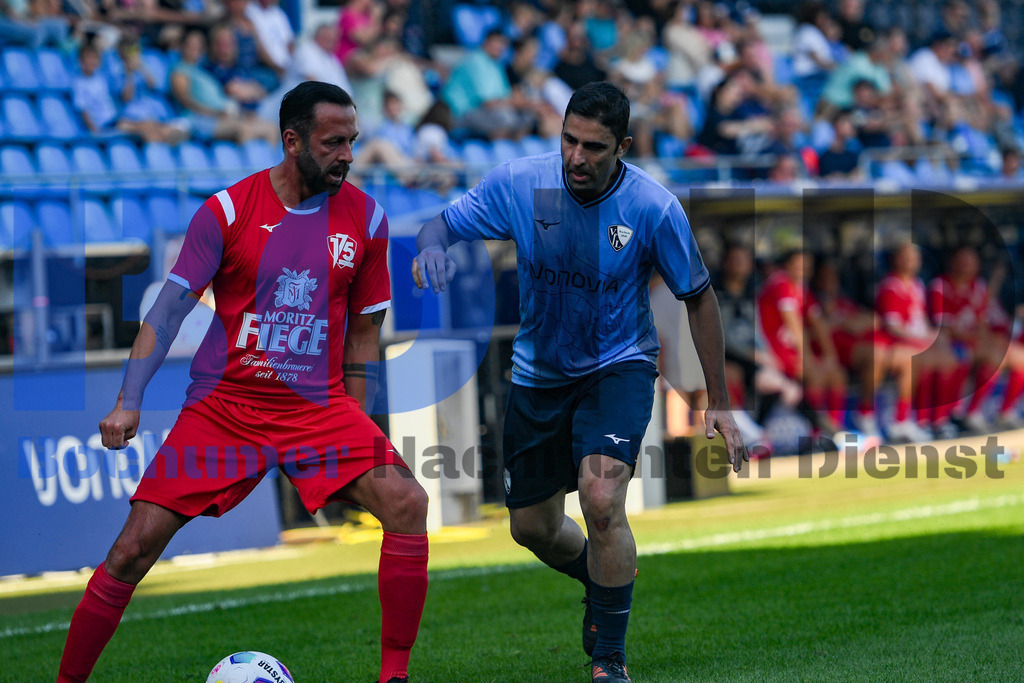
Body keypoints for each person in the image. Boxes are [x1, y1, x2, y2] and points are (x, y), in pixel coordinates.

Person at [56, 81, 429, 683]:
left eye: (353, 142)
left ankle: (394, 676)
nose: (348, 155)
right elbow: (168, 312)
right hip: (226, 407)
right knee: (131, 549)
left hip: (318, 409)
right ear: (292, 140)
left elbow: (364, 334)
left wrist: (358, 419)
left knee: (408, 502)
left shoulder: (367, 219)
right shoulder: (228, 211)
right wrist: (129, 402)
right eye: (334, 143)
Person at [412, 81, 748, 683]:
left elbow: (698, 298)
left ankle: (610, 661)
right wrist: (430, 248)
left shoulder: (653, 207)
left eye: (593, 147)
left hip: (618, 366)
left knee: (601, 499)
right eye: (568, 140)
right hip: (538, 374)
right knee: (531, 527)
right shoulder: (521, 182)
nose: (576, 157)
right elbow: (439, 223)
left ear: (621, 147)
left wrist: (719, 401)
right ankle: (602, 579)